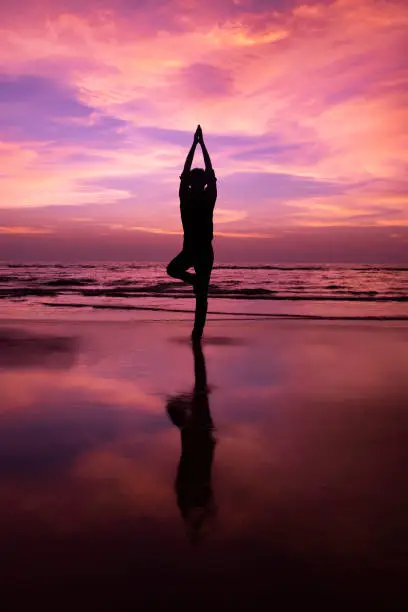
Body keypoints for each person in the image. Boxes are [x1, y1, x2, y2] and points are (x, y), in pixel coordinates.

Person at [167, 125, 217, 340]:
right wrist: (198, 144)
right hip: (194, 249)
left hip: (203, 250)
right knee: (174, 270)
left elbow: (201, 173)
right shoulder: (189, 197)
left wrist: (198, 145)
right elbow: (188, 174)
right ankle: (197, 332)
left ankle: (197, 333)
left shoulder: (200, 197)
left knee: (202, 297)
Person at [166, 340, 217, 544]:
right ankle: (197, 350)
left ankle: (198, 350)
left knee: (200, 390)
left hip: (201, 437)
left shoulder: (192, 491)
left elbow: (191, 472)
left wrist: (195, 522)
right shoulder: (197, 491)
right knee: (200, 390)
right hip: (202, 437)